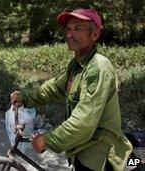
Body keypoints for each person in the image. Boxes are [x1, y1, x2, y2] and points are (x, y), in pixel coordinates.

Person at [11, 9, 132, 171]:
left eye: (77, 28)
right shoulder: (76, 65)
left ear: (94, 34)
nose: (70, 34)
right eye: (68, 29)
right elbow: (54, 88)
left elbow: (83, 122)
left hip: (99, 156)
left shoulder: (98, 67)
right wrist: (25, 97)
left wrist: (47, 140)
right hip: (81, 149)